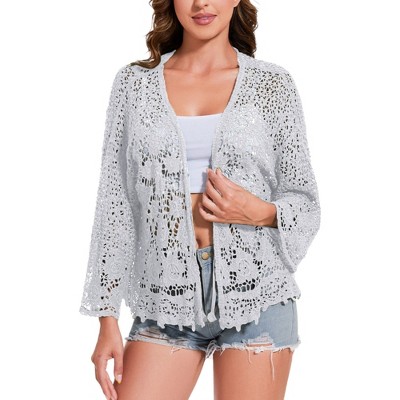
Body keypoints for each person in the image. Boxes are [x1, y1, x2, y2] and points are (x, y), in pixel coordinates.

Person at [79, 0, 321, 399]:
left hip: (257, 293)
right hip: (164, 294)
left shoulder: (272, 85)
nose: (201, 3)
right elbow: (115, 205)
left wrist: (258, 211)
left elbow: (304, 199)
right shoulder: (134, 85)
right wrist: (107, 317)